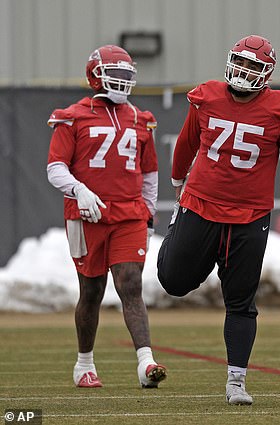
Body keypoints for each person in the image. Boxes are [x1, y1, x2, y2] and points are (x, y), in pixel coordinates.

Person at [156, 34, 280, 405]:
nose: (243, 71)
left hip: (250, 217)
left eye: (252, 66)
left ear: (266, 74)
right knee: (173, 281)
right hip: (200, 205)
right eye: (240, 63)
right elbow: (186, 143)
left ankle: (236, 381)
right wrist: (178, 181)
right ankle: (174, 234)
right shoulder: (207, 97)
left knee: (241, 301)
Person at [46, 45, 166, 389]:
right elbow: (55, 168)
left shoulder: (140, 119)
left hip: (128, 212)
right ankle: (84, 364)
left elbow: (149, 173)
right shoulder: (73, 116)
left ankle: (146, 363)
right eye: (116, 74)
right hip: (86, 213)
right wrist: (80, 190)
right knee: (92, 289)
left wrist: (148, 215)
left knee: (130, 283)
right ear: (95, 75)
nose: (122, 81)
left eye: (128, 75)